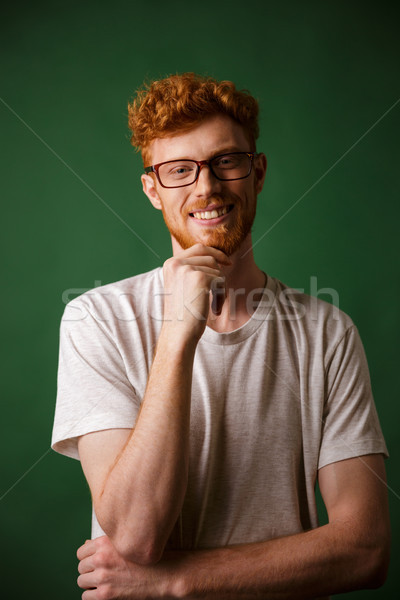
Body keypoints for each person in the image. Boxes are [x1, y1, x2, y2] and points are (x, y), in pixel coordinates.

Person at [51, 73, 390, 600]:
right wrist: (178, 334)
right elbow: (136, 536)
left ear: (257, 173)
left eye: (225, 162)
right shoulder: (94, 320)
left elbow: (365, 550)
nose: (205, 187)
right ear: (151, 189)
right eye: (179, 170)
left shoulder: (328, 332)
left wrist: (177, 582)